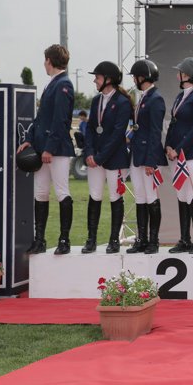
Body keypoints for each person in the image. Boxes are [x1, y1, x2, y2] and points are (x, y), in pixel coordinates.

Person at [17, 44, 75, 255]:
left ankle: (64, 240)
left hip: (57, 150)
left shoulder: (64, 84)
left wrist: (49, 148)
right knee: (40, 192)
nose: (44, 64)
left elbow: (61, 120)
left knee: (61, 191)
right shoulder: (51, 84)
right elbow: (40, 119)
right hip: (42, 149)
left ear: (49, 61)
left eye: (45, 60)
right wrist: (29, 140)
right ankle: (39, 240)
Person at [82, 61, 132, 254]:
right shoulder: (96, 101)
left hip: (114, 159)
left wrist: (100, 157)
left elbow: (118, 134)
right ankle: (91, 239)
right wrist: (89, 153)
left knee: (115, 197)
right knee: (94, 196)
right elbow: (90, 130)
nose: (95, 80)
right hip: (95, 158)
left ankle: (114, 240)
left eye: (98, 77)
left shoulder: (122, 102)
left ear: (108, 80)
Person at [165, 57, 193, 253]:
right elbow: (173, 124)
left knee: (192, 194)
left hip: (192, 153)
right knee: (181, 194)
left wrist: (179, 149)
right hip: (177, 153)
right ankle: (184, 239)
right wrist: (168, 145)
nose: (177, 76)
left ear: (190, 75)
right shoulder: (179, 96)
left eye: (181, 73)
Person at [127, 59, 167, 254]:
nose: (134, 80)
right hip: (137, 154)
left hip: (148, 157)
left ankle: (153, 240)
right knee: (140, 197)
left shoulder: (155, 99)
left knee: (151, 197)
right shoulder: (143, 97)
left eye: (135, 77)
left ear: (142, 77)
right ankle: (141, 239)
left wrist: (151, 160)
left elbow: (155, 132)